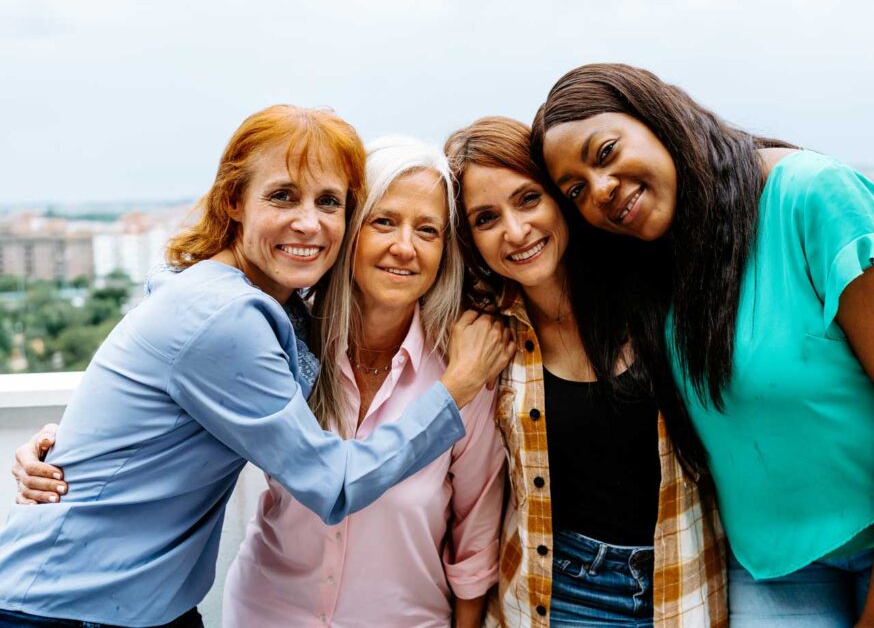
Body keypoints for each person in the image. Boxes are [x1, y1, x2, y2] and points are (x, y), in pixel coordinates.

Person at [529, 64, 874, 626]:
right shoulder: (643, 260)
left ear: (657, 118)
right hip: (779, 561)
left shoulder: (811, 195)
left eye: (606, 151)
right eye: (575, 190)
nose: (600, 189)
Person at [0, 106, 512, 628]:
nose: (308, 222)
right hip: (72, 609)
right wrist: (456, 389)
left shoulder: (274, 321)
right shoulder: (231, 317)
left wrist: (70, 447)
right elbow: (332, 484)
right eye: (283, 196)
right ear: (233, 201)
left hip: (138, 607)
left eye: (328, 202)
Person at [445, 116, 727, 627]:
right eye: (485, 219)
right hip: (559, 595)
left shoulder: (654, 287)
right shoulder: (482, 334)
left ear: (561, 197)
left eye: (528, 199)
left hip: (684, 585)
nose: (515, 231)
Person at [220, 137, 505, 627]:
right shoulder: (285, 345)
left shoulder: (464, 369)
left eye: (428, 230)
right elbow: (179, 416)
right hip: (266, 614)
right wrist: (54, 447)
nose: (404, 247)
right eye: (384, 221)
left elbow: (475, 539)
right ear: (350, 229)